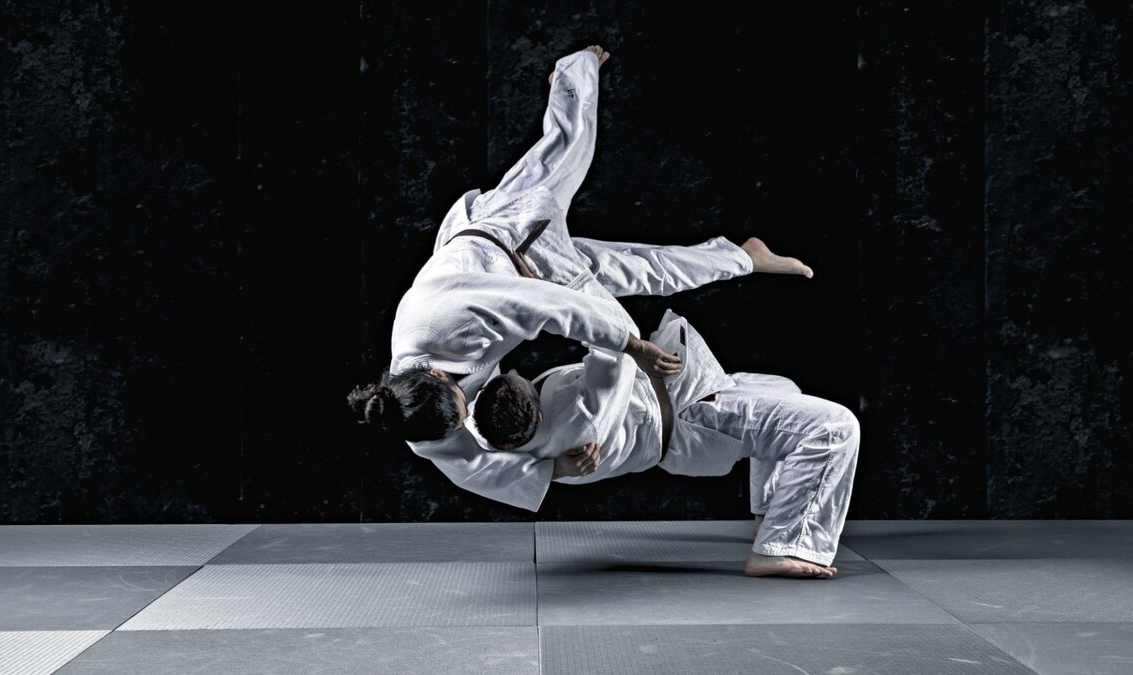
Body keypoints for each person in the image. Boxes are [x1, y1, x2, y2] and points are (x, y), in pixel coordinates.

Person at [349, 45, 812, 511]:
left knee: (569, 148)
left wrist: (634, 347)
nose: (469, 409)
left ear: (433, 372)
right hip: (530, 275)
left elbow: (548, 307)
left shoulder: (436, 319)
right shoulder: (417, 421)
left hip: (508, 234)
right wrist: (556, 470)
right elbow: (470, 468)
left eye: (461, 400)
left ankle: (573, 71)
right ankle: (742, 257)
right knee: (638, 267)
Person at [471, 310, 860, 579]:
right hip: (695, 415)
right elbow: (612, 339)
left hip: (684, 398)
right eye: (521, 379)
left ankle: (771, 516)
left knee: (784, 389)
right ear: (537, 415)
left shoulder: (510, 431)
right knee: (833, 427)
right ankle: (780, 549)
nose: (518, 370)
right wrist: (553, 301)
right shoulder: (579, 421)